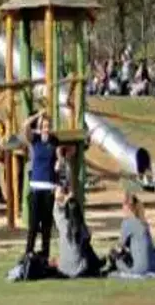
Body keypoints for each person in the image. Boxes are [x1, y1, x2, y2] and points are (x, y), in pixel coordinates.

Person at [23, 112, 60, 259]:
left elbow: (58, 158)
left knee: (46, 226)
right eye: (44, 126)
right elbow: (25, 125)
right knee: (33, 225)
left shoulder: (54, 141)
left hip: (49, 188)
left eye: (48, 126)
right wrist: (39, 114)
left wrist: (59, 163)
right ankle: (28, 253)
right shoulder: (35, 139)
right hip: (36, 188)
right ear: (39, 127)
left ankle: (45, 255)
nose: (46, 128)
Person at [52, 183, 101, 279]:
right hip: (80, 269)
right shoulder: (81, 227)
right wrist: (70, 197)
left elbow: (56, 211)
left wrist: (59, 198)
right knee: (86, 246)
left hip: (63, 269)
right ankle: (97, 264)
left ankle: (97, 263)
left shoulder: (63, 223)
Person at [111, 192, 155, 277]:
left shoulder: (127, 222)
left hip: (138, 270)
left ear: (127, 207)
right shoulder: (143, 222)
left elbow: (119, 247)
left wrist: (114, 252)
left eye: (122, 206)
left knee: (114, 255)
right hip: (152, 267)